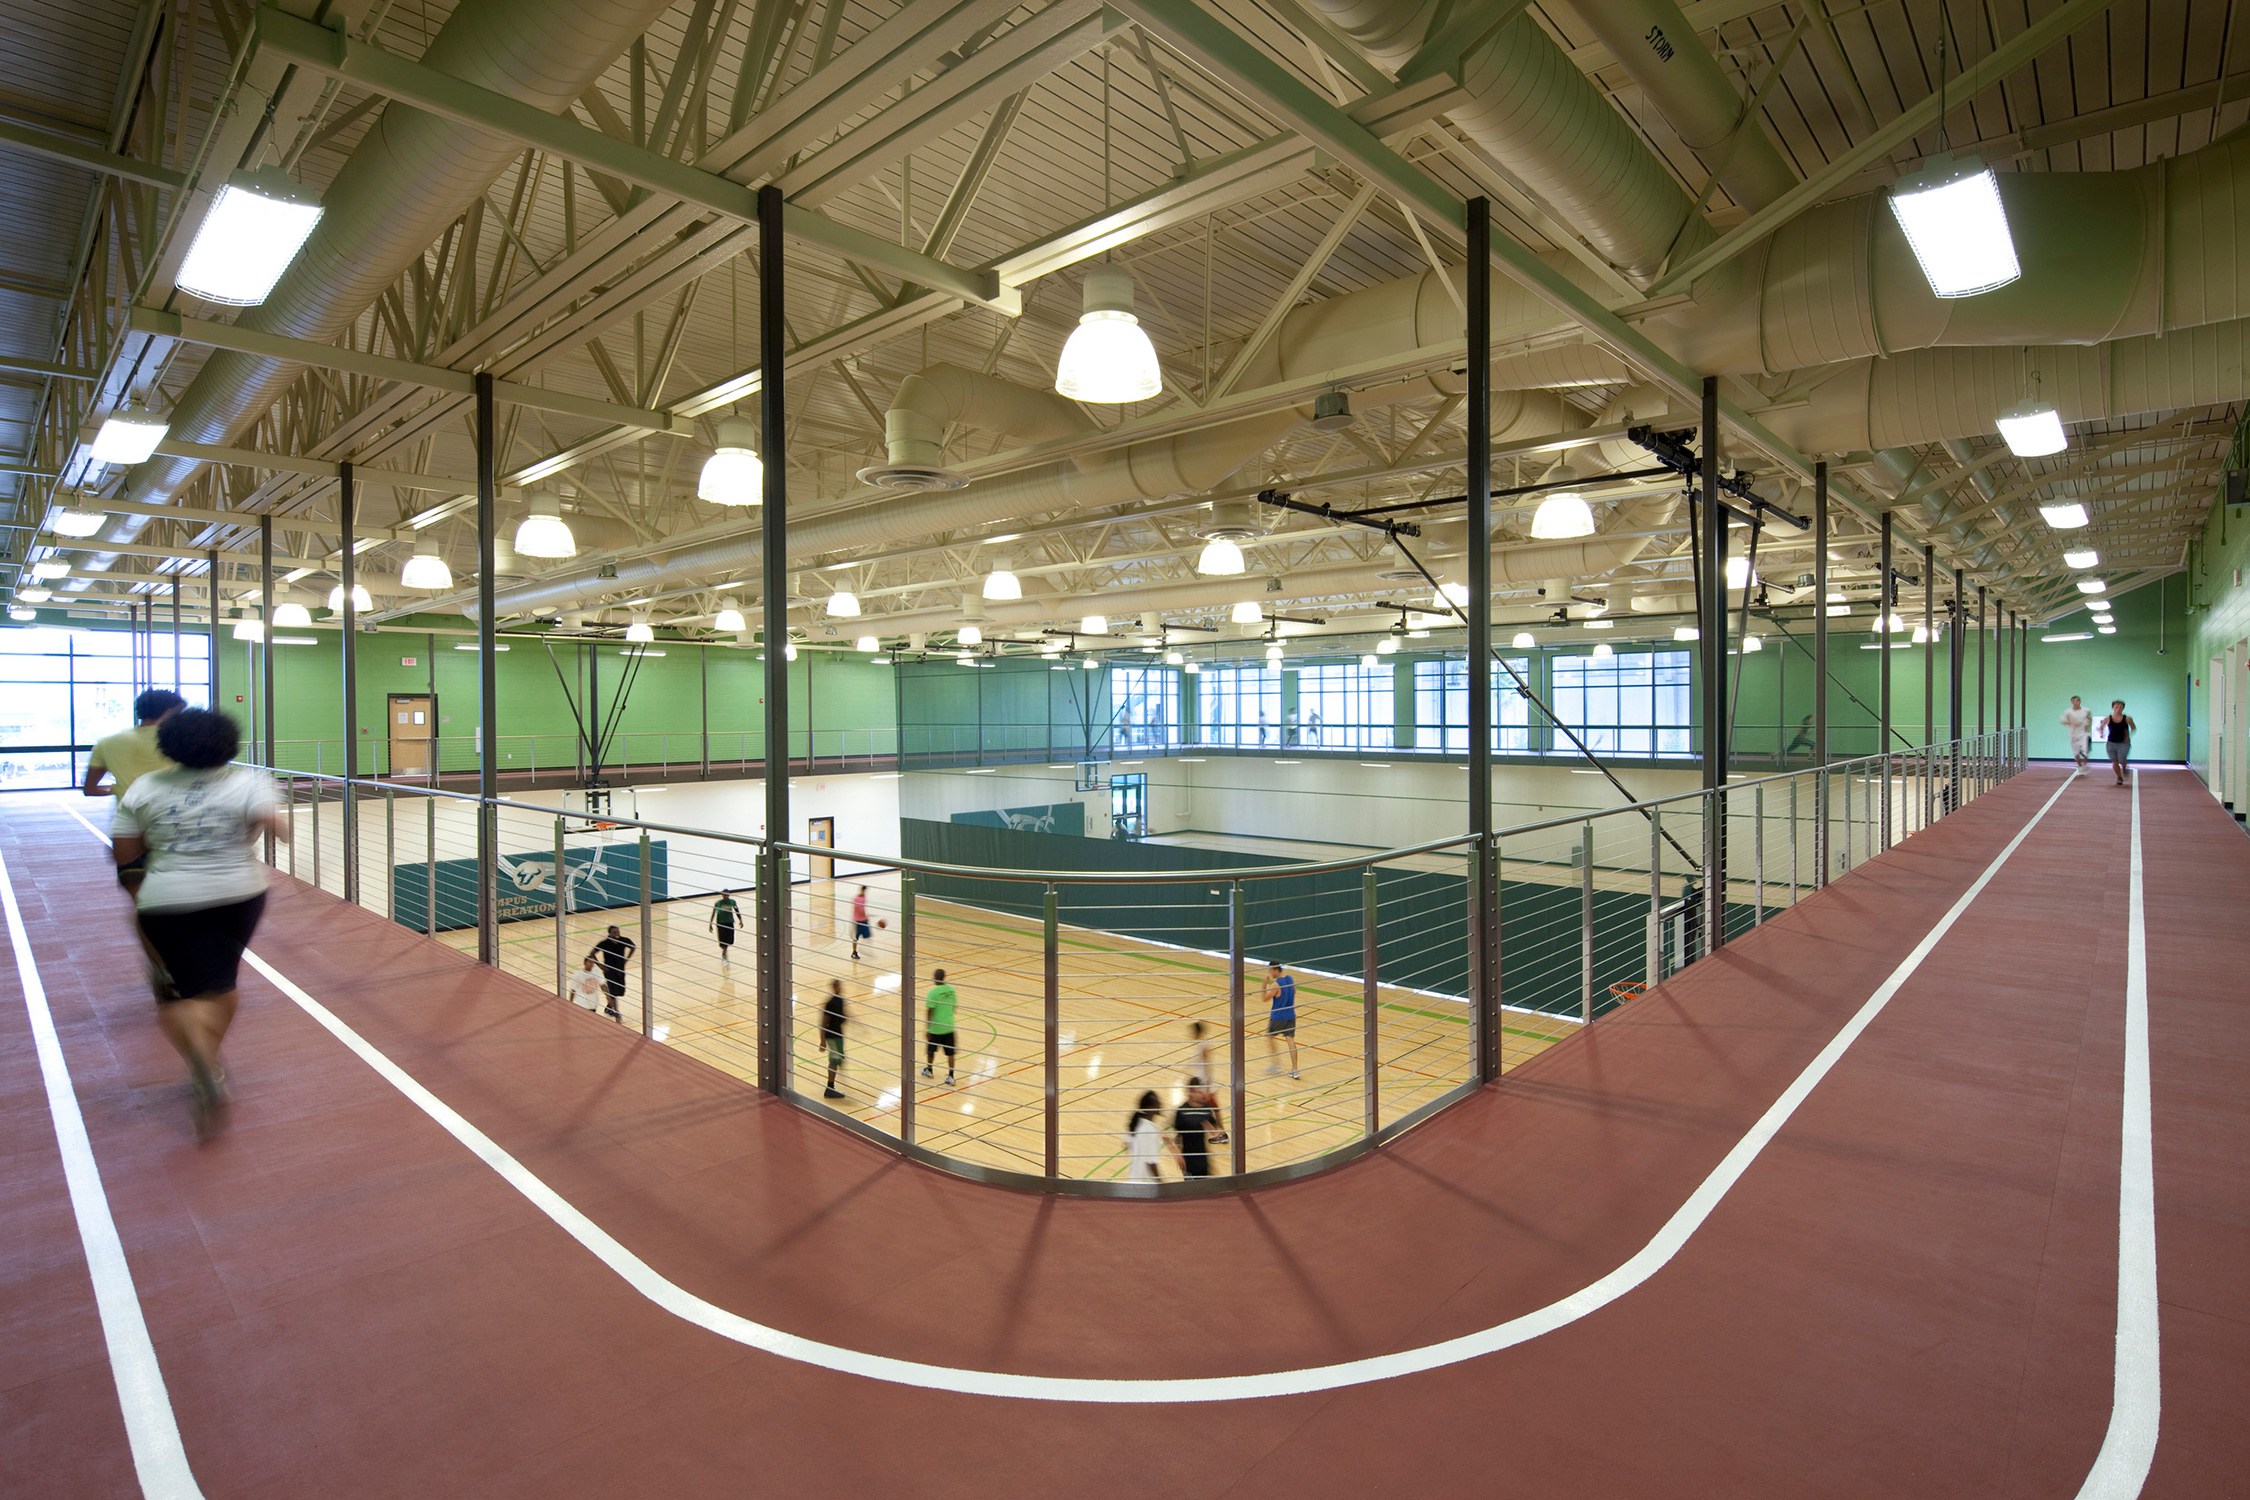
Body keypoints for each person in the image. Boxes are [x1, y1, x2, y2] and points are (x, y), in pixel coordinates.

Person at [108, 708, 284, 1136]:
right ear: (229, 743)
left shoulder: (145, 787)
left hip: (166, 899)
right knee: (220, 983)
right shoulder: (249, 781)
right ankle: (209, 1059)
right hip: (237, 894)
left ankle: (201, 1057)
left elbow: (124, 853)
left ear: (168, 746)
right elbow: (280, 828)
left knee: (179, 992)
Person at [84, 689, 184, 801]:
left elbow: (90, 789)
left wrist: (118, 789)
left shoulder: (106, 743)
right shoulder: (180, 742)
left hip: (129, 815)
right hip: (174, 813)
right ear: (169, 712)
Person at [1171, 1077, 1225, 1180]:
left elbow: (1217, 1133)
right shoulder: (1182, 1111)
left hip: (1203, 1158)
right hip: (1188, 1160)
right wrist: (1178, 1154)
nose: (1200, 1093)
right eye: (1197, 1091)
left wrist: (1213, 1130)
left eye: (1201, 1091)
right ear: (1190, 1092)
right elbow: (1177, 1135)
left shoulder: (1205, 1109)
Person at [588, 923, 635, 1022]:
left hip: (620, 970)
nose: (617, 933)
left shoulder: (623, 940)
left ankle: (609, 1008)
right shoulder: (605, 943)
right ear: (609, 933)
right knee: (613, 992)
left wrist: (626, 959)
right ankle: (617, 1014)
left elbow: (633, 947)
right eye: (614, 932)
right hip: (609, 971)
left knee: (620, 991)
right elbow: (592, 953)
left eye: (618, 931)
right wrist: (600, 965)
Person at [920, 966, 958, 1085]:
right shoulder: (952, 990)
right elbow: (954, 1007)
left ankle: (929, 1069)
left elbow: (929, 1011)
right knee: (950, 1053)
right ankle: (951, 1076)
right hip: (949, 1026)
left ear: (935, 979)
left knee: (931, 1051)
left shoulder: (932, 993)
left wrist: (927, 1028)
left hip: (936, 1028)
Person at [1261, 959, 1299, 1079]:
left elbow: (1264, 998)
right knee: (1290, 1040)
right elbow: (1294, 991)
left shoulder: (1276, 984)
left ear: (1276, 970)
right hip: (1291, 1015)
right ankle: (1295, 1069)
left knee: (1270, 1037)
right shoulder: (1290, 979)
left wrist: (1264, 984)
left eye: (1271, 970)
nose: (1270, 972)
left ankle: (1275, 1065)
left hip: (1278, 1017)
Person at [1125, 1089, 1165, 1184]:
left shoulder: (1137, 1124)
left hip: (1134, 1179)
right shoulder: (1150, 1130)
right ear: (1151, 1107)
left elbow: (1127, 1145)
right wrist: (1161, 1183)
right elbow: (1150, 1162)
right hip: (1145, 1184)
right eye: (1157, 1102)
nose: (1160, 1103)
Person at [819, 979, 848, 1099]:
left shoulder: (840, 1000)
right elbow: (823, 1022)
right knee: (834, 1061)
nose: (840, 987)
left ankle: (831, 1086)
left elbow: (843, 1016)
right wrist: (822, 1041)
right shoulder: (830, 1003)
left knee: (838, 1059)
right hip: (832, 1036)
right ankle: (829, 1088)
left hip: (838, 1035)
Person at [2103, 699, 2136, 786]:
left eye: (2120, 707)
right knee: (2114, 762)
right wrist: (2101, 733)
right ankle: (2119, 777)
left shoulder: (2127, 718)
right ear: (2113, 707)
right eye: (2116, 707)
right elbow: (2101, 727)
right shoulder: (2108, 718)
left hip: (2123, 743)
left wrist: (2128, 736)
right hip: (2111, 743)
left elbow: (2133, 728)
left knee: (2121, 760)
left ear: (2123, 708)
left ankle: (2124, 766)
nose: (2118, 708)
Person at [2061, 696, 2093, 771]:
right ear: (2071, 702)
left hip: (2084, 734)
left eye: (2077, 701)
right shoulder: (2068, 711)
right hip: (2073, 735)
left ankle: (2084, 765)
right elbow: (2063, 721)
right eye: (2073, 701)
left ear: (2079, 702)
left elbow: (2090, 718)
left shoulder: (2086, 710)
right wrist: (2071, 723)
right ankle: (2080, 766)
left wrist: (2088, 724)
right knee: (2076, 754)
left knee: (2085, 752)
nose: (2075, 703)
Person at [709, 890, 740, 964]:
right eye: (724, 895)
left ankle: (725, 951)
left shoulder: (733, 902)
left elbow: (737, 911)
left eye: (727, 895)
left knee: (730, 940)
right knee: (723, 941)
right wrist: (710, 923)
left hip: (730, 923)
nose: (726, 896)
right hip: (721, 923)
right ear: (722, 895)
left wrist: (740, 920)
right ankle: (724, 953)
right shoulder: (718, 903)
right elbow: (713, 913)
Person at [1186, 1018, 1216, 1088]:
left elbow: (1208, 1066)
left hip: (1203, 1080)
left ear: (1197, 1032)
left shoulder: (1204, 1046)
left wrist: (1208, 1083)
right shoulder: (1199, 1045)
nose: (1190, 1034)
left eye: (1192, 1032)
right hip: (1197, 1078)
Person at [850, 884, 872, 960]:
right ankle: (854, 952)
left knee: (867, 936)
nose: (865, 892)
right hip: (857, 921)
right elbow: (860, 909)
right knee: (855, 938)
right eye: (864, 890)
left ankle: (863, 949)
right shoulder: (856, 899)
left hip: (863, 920)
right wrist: (866, 915)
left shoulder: (864, 897)